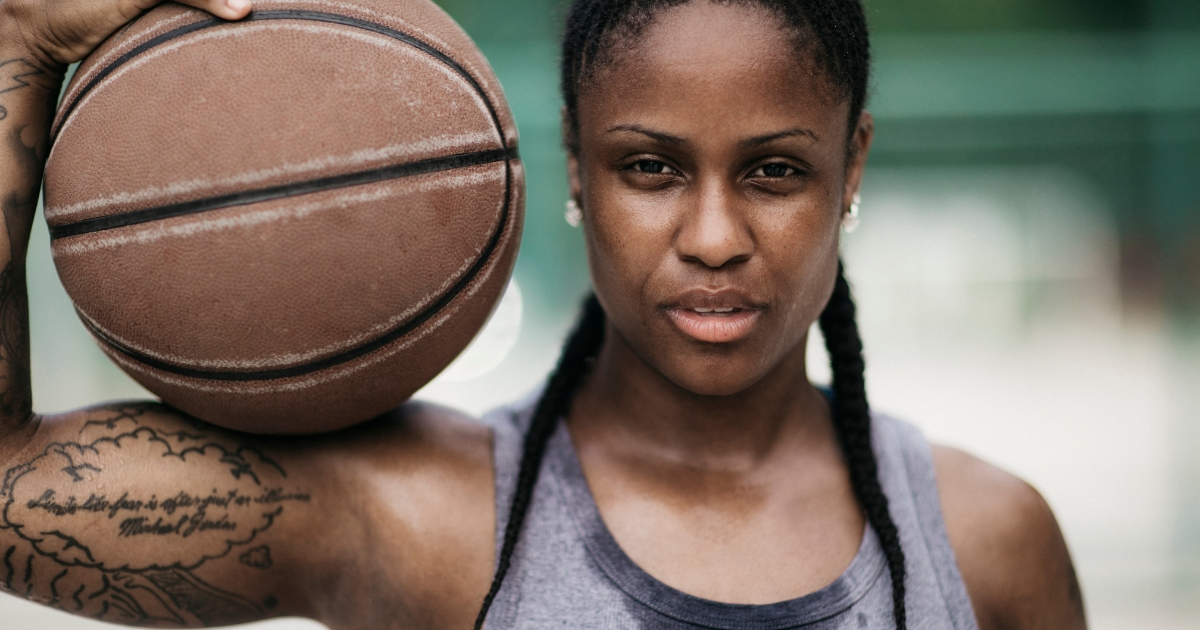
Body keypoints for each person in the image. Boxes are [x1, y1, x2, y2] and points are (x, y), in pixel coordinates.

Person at [0, 0, 1086, 627]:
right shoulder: (419, 517)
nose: (712, 235)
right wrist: (17, 41)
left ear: (851, 168)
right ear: (575, 161)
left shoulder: (990, 543)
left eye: (773, 172)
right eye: (650, 166)